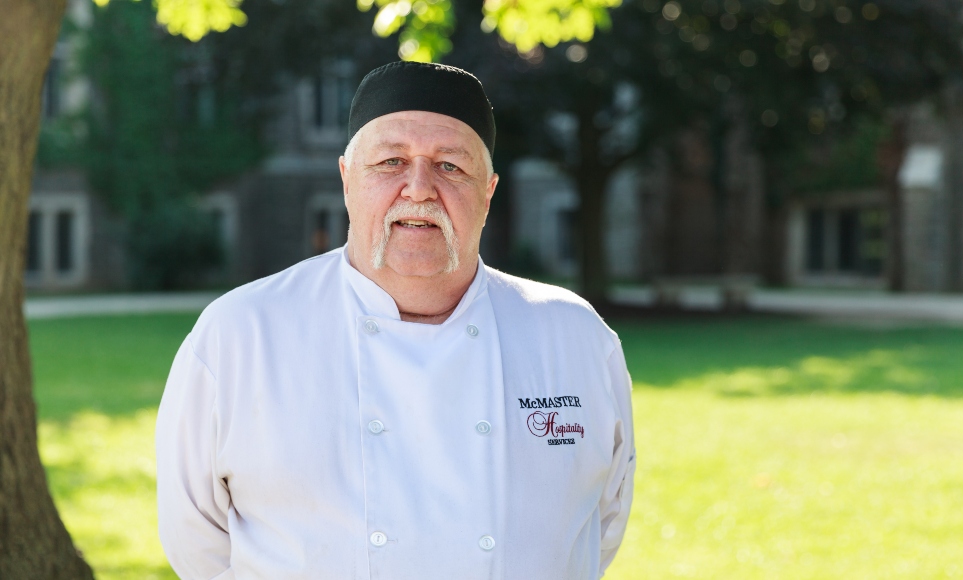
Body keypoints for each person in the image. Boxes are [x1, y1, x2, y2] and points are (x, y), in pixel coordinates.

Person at [156, 61, 635, 580]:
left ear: (490, 189)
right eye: (390, 161)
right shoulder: (241, 334)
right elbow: (197, 544)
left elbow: (596, 528)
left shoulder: (574, 336)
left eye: (451, 165)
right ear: (346, 178)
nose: (419, 188)